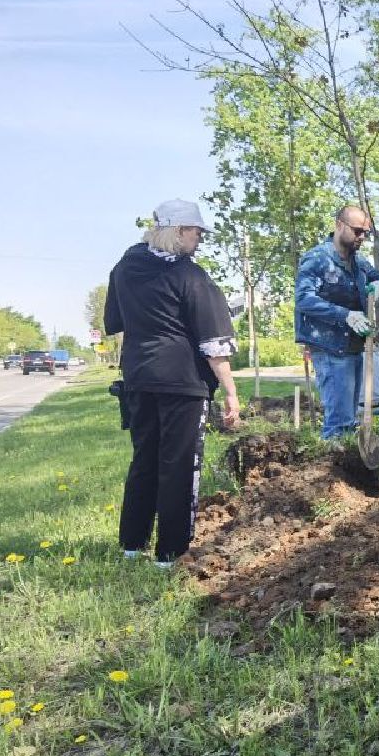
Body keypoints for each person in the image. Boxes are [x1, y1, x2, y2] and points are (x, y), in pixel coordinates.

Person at [104, 199, 240, 567]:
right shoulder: (190, 276)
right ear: (179, 231)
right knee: (179, 465)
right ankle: (171, 554)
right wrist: (230, 393)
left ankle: (132, 546)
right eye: (197, 232)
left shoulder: (125, 269)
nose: (200, 239)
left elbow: (116, 322)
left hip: (138, 378)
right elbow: (214, 345)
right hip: (183, 383)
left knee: (144, 460)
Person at [295, 206, 379, 441]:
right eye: (358, 231)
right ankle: (331, 472)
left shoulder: (357, 262)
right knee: (338, 421)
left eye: (365, 233)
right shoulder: (317, 259)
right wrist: (346, 315)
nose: (362, 237)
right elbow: (304, 299)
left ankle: (343, 472)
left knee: (349, 419)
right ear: (339, 225)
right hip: (329, 347)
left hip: (353, 347)